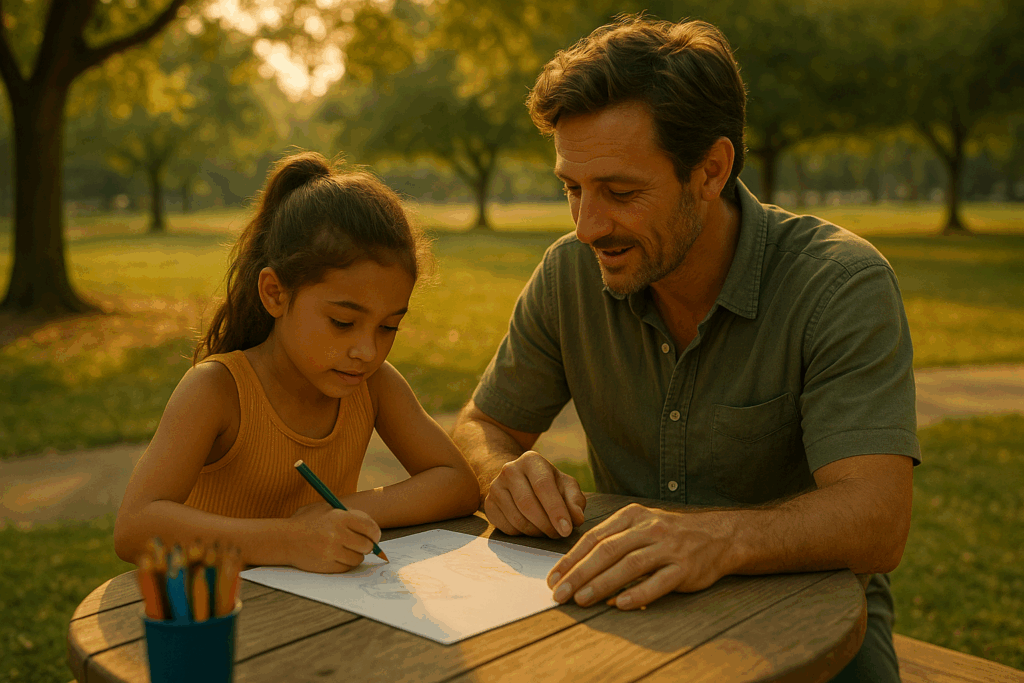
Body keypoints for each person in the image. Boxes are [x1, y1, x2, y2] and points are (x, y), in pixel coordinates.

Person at [451, 16, 918, 681]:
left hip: (816, 632)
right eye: (572, 188)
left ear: (711, 169)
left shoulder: (840, 284)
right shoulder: (568, 276)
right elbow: (482, 425)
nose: (587, 226)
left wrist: (718, 539)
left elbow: (878, 519)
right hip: (625, 617)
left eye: (619, 191)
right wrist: (500, 470)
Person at [115, 151, 479, 573]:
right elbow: (135, 526)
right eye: (343, 322)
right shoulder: (216, 390)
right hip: (217, 616)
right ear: (275, 293)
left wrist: (338, 511)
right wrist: (288, 540)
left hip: (318, 617)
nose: (367, 350)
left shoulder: (374, 385)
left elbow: (457, 483)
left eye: (388, 327)